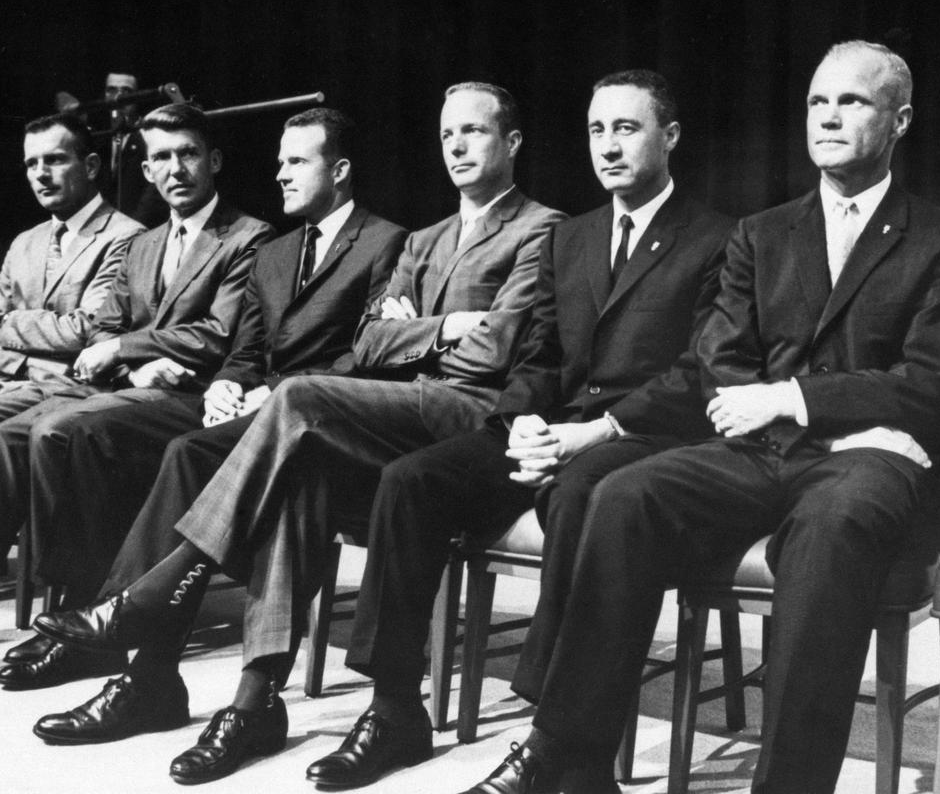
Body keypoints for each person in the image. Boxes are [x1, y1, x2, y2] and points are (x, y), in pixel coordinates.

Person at [460, 40, 940, 794]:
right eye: (816, 102)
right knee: (623, 494)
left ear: (899, 120)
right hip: (766, 447)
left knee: (832, 526)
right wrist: (788, 409)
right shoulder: (762, 233)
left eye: (852, 102)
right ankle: (568, 757)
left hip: (876, 463)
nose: (828, 117)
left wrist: (793, 396)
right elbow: (722, 362)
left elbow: (933, 384)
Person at [32, 82, 564, 783]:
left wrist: (421, 332)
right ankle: (241, 701)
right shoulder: (429, 236)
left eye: (475, 133)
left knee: (302, 395)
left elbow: (494, 351)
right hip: (399, 406)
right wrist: (444, 329)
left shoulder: (542, 228)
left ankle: (151, 598)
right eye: (447, 136)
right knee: (290, 475)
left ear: (513, 143)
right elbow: (372, 341)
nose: (458, 147)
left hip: (472, 412)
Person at [299, 69, 733, 789]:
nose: (609, 146)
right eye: (597, 130)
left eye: (627, 128)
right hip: (545, 430)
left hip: (639, 440)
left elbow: (699, 372)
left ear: (671, 137)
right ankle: (395, 708)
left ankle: (558, 741)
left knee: (582, 493)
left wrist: (594, 433)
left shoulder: (717, 238)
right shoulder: (576, 238)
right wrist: (525, 423)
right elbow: (538, 357)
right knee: (411, 481)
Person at [2, 108, 405, 689]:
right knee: (148, 444)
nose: (282, 176)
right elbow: (246, 346)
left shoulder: (376, 241)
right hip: (230, 401)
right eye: (279, 163)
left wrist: (249, 386)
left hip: (310, 412)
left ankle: (121, 626)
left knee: (134, 441)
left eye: (296, 162)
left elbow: (365, 353)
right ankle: (115, 632)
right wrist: (230, 382)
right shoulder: (277, 249)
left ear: (339, 170)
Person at [0, 102, 275, 687]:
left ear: (214, 160)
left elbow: (218, 332)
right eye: (160, 159)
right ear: (146, 170)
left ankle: (84, 616)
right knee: (22, 432)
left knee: (63, 430)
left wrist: (129, 353)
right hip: (140, 390)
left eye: (188, 154)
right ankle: (67, 610)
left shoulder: (249, 237)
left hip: (199, 395)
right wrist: (133, 365)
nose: (175, 169)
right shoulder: (144, 244)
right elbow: (103, 326)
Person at [0, 115, 143, 419]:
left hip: (76, 394)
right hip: (15, 383)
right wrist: (30, 365)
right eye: (31, 163)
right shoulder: (23, 242)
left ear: (90, 166)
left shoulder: (127, 236)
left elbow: (87, 329)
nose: (40, 174)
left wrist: (5, 324)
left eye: (54, 160)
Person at [100, 71, 166, 227]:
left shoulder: (148, 134)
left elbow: (155, 189)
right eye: (112, 90)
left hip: (138, 228)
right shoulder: (98, 137)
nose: (119, 97)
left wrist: (132, 226)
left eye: (126, 91)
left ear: (137, 96)